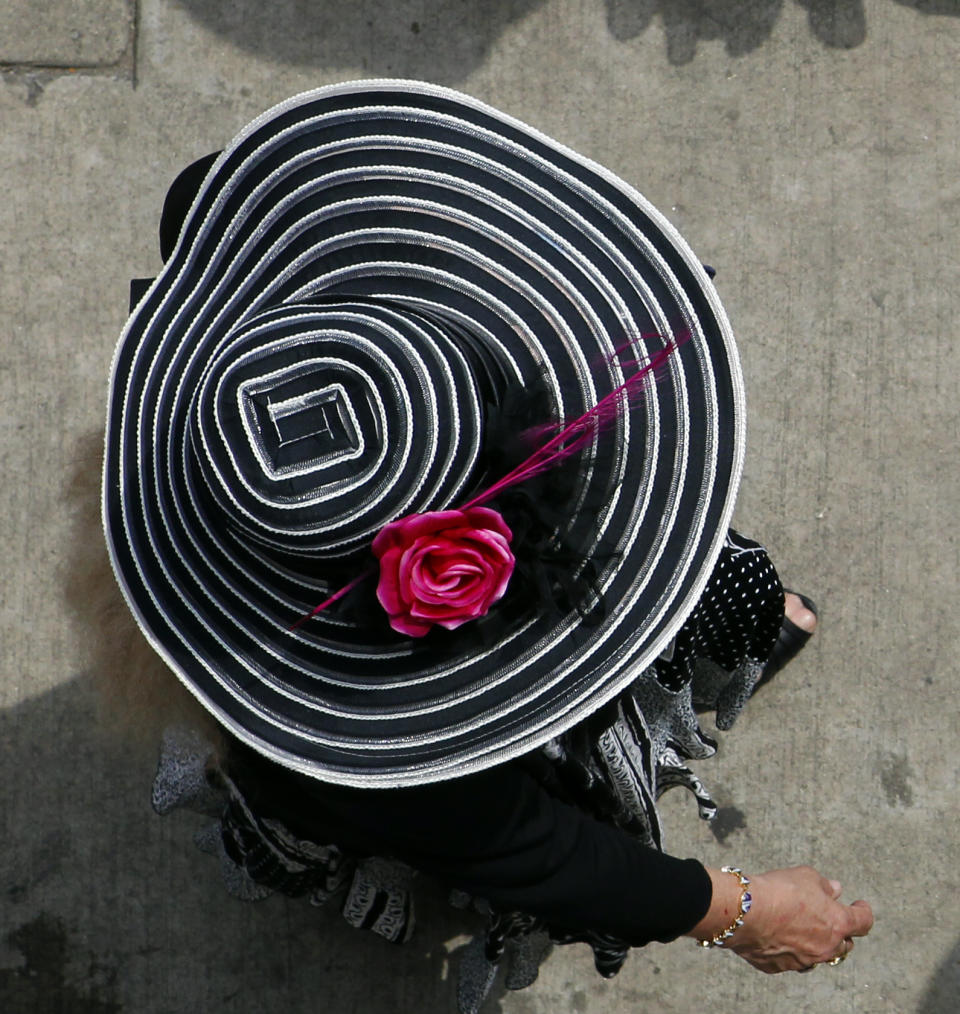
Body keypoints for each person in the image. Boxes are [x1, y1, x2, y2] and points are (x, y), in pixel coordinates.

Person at [103, 81, 872, 1012]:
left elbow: (202, 200)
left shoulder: (216, 429)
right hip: (421, 738)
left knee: (674, 566)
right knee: (540, 727)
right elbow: (530, 846)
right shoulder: (372, 731)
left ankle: (703, 623)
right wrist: (745, 910)